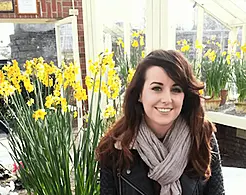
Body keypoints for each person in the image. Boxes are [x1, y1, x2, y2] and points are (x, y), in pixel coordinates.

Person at [96, 49, 225, 195]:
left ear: (185, 95)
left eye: (176, 89)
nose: (166, 99)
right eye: (157, 88)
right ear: (139, 94)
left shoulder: (202, 136)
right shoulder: (114, 148)